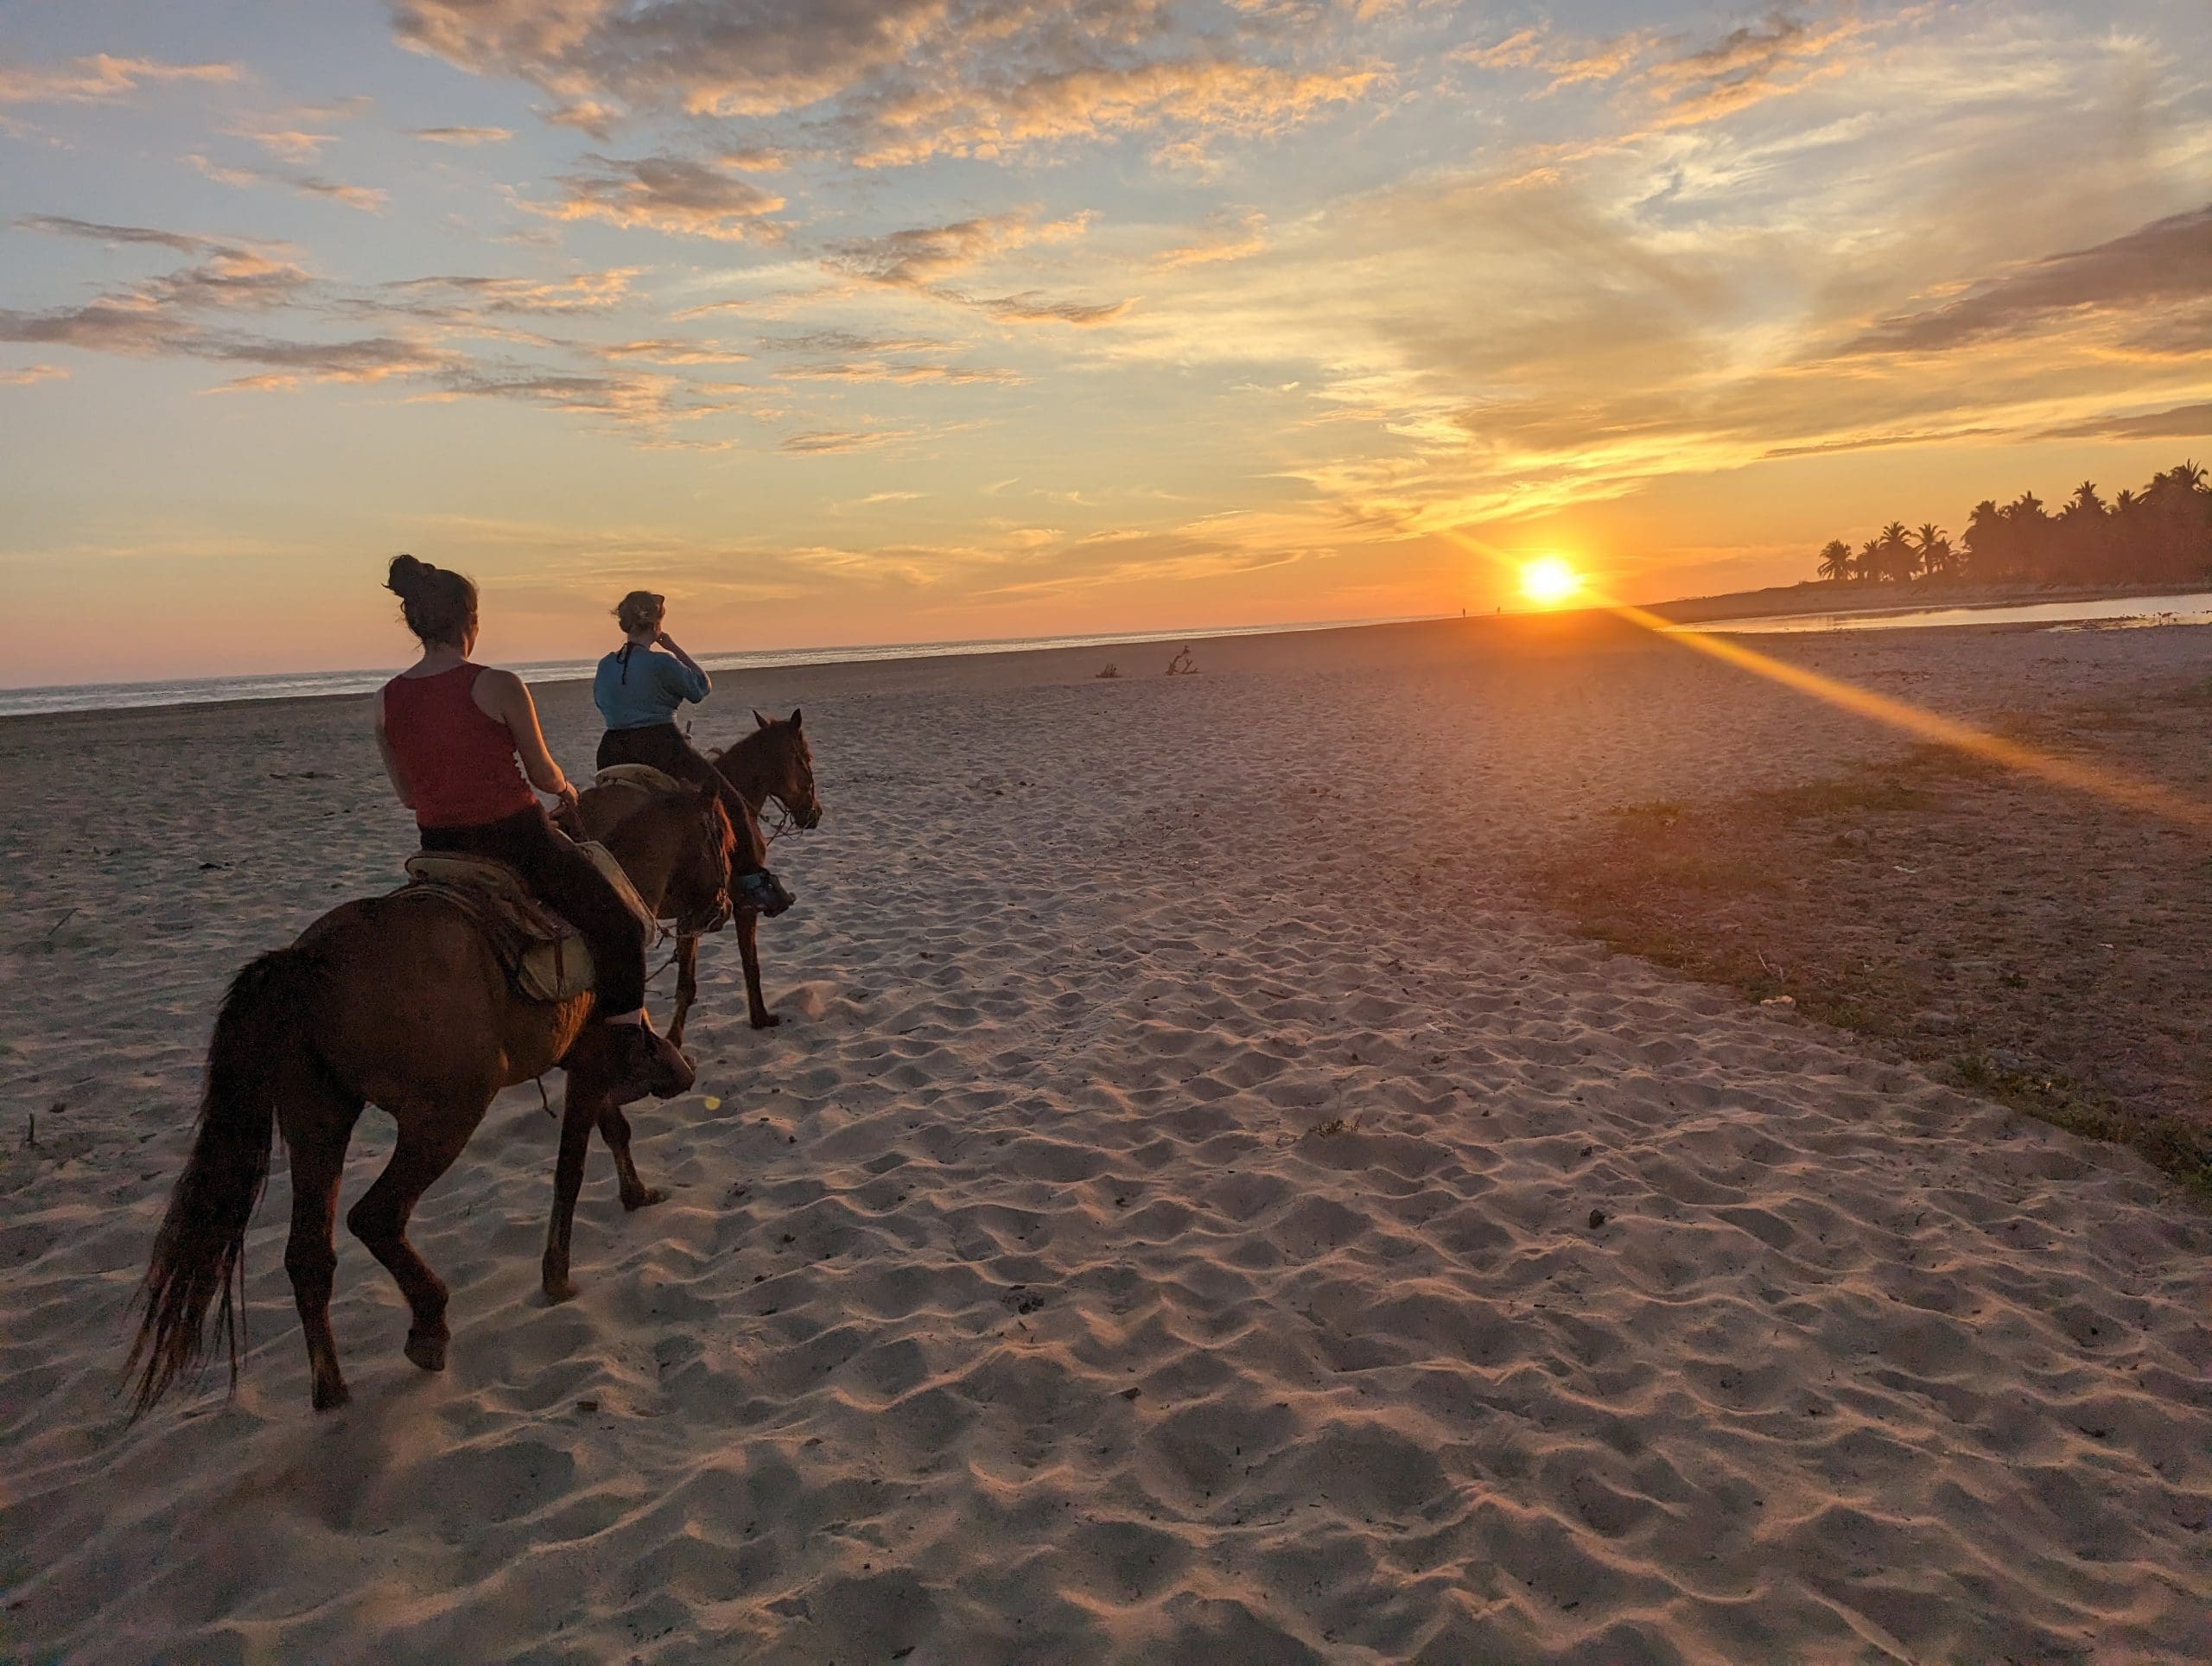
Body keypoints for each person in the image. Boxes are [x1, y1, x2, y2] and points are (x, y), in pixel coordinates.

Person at [374, 556, 689, 1101]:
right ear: (470, 622)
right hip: (515, 841)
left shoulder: (383, 700)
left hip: (438, 848)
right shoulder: (497, 684)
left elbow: (407, 796)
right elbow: (542, 775)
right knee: (620, 924)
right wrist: (566, 790)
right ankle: (627, 1053)